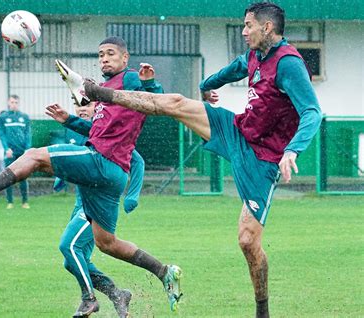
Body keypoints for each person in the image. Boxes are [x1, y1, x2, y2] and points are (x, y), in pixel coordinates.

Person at [78, 4, 322, 317]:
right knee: (178, 103)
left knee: (247, 241)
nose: (244, 31)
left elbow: (312, 111)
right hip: (236, 130)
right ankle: (101, 93)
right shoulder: (254, 57)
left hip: (264, 159)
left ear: (267, 28)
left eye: (248, 26)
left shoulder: (289, 64)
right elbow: (229, 72)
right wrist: (206, 87)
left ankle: (263, 310)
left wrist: (293, 150)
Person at [0, 36, 183, 312]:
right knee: (107, 244)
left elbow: (158, 99)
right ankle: (164, 272)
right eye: (101, 54)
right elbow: (98, 131)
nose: (104, 58)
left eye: (111, 54)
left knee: (33, 155)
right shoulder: (105, 91)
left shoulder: (129, 79)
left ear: (125, 58)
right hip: (109, 174)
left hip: (102, 162)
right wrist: (68, 120)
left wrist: (150, 82)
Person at [53, 102, 143, 317]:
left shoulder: (106, 132)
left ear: (99, 108)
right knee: (73, 261)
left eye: (86, 104)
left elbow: (137, 160)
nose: (81, 108)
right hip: (79, 203)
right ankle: (117, 294)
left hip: (96, 204)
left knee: (68, 247)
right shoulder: (75, 130)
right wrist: (60, 175)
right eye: (76, 104)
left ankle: (89, 300)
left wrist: (132, 195)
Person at [0, 95, 32, 209]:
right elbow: (2, 134)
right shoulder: (3, 117)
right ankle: (10, 202)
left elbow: (28, 133)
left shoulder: (24, 117)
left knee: (23, 176)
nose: (14, 104)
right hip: (9, 151)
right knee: (8, 177)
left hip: (22, 151)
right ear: (8, 103)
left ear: (19, 103)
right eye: (12, 102)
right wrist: (6, 148)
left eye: (16, 102)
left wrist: (27, 148)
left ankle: (25, 201)